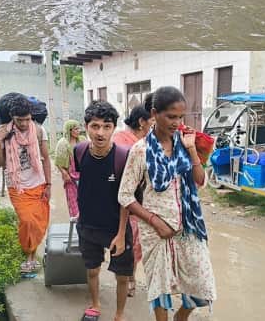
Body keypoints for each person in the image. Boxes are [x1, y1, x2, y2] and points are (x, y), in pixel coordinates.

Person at [118, 87, 216, 320]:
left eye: (181, 117)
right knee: (160, 289)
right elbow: (125, 195)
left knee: (202, 284)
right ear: (154, 113)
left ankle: (181, 317)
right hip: (156, 232)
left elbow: (200, 181)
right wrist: (155, 221)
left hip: (189, 227)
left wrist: (192, 149)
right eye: (171, 116)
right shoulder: (140, 151)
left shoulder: (184, 142)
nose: (176, 122)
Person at [75, 101, 133, 321]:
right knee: (92, 270)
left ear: (114, 128)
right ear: (86, 126)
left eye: (107, 126)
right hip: (88, 226)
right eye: (95, 126)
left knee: (122, 276)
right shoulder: (79, 151)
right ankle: (96, 304)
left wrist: (120, 234)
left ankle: (119, 314)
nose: (100, 132)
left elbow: (126, 199)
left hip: (116, 227)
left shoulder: (123, 157)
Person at [0, 95, 51, 276]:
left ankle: (31, 252)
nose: (24, 124)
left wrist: (48, 184)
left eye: (27, 119)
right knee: (27, 220)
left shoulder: (39, 131)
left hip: (38, 182)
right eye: (19, 120)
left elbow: (46, 158)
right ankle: (29, 256)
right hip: (16, 185)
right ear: (12, 117)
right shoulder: (3, 132)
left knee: (39, 222)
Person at [112, 104, 154, 297]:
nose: (154, 126)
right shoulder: (127, 143)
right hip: (126, 199)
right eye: (152, 122)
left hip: (137, 200)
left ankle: (130, 277)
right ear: (141, 122)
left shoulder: (140, 141)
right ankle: (128, 278)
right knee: (129, 240)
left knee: (134, 242)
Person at [53, 119, 86, 220]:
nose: (78, 131)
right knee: (73, 199)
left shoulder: (83, 140)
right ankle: (76, 220)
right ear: (69, 130)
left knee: (85, 198)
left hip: (84, 175)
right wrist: (64, 173)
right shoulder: (62, 143)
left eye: (79, 128)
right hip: (70, 176)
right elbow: (58, 161)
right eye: (76, 129)